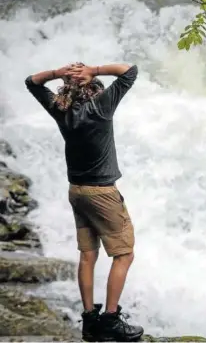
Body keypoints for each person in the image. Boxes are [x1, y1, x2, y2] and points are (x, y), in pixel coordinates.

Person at [25, 62, 144, 342]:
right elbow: (130, 71)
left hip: (76, 191)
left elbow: (32, 82)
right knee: (124, 254)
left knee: (88, 255)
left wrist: (58, 73)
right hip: (102, 193)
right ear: (95, 90)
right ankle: (111, 320)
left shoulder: (61, 110)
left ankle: (90, 322)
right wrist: (95, 69)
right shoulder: (100, 108)